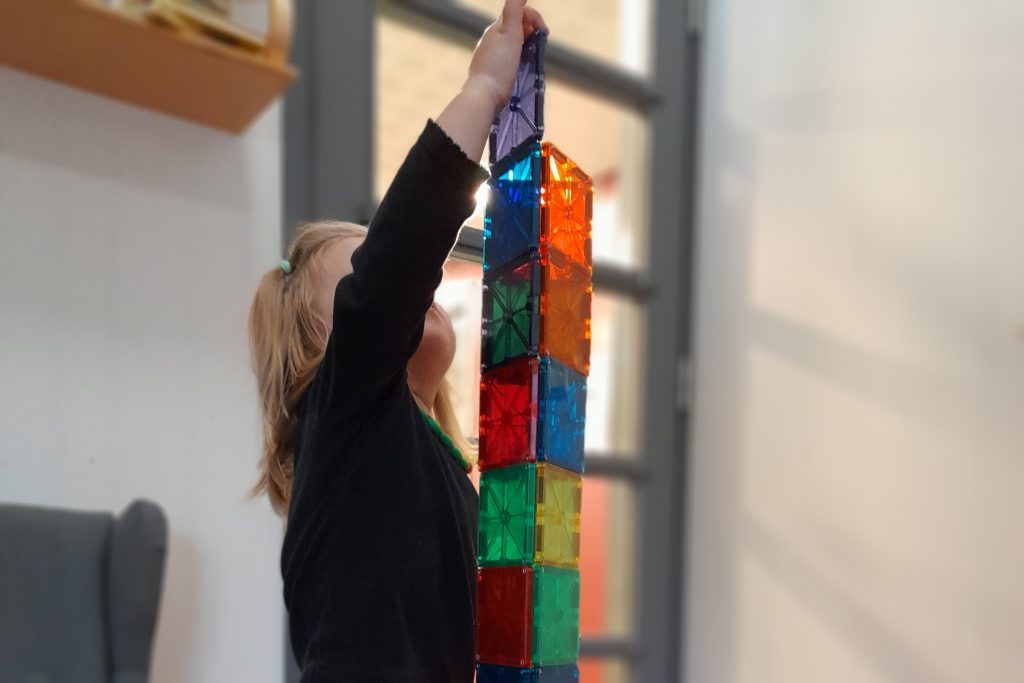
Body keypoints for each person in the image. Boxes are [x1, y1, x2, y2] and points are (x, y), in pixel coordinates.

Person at [247, 1, 548, 679]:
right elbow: (395, 268)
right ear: (325, 342)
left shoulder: (441, 468)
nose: (423, 282)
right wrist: (483, 90)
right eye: (365, 274)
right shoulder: (341, 414)